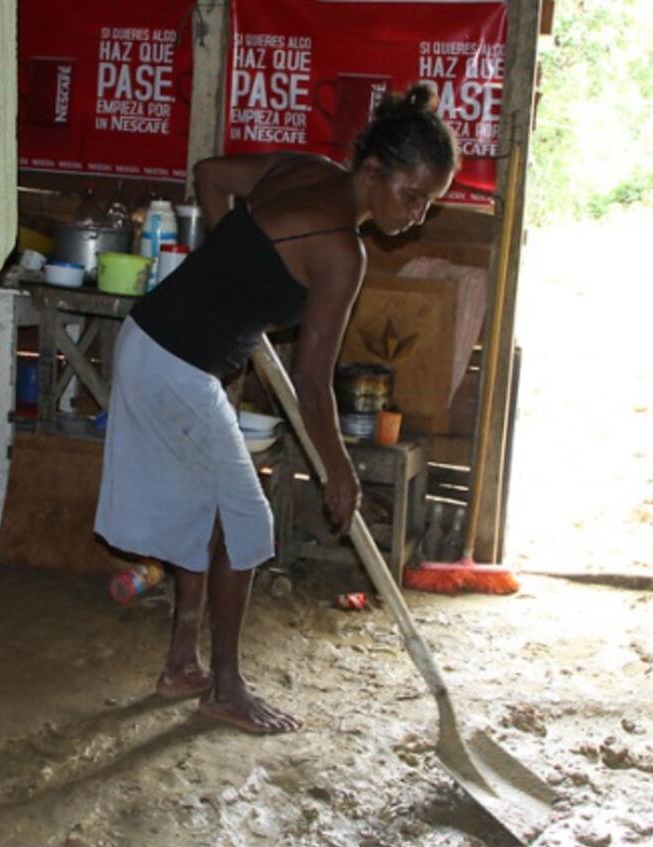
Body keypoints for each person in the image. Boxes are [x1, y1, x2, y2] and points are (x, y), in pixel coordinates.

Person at [94, 83, 458, 734]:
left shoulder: (304, 168)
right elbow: (312, 383)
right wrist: (339, 470)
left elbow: (210, 176)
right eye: (412, 196)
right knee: (246, 518)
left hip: (150, 340)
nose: (417, 215)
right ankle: (226, 688)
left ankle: (183, 664)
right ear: (374, 171)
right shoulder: (341, 251)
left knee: (205, 510)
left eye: (429, 203)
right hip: (174, 366)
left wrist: (228, 266)